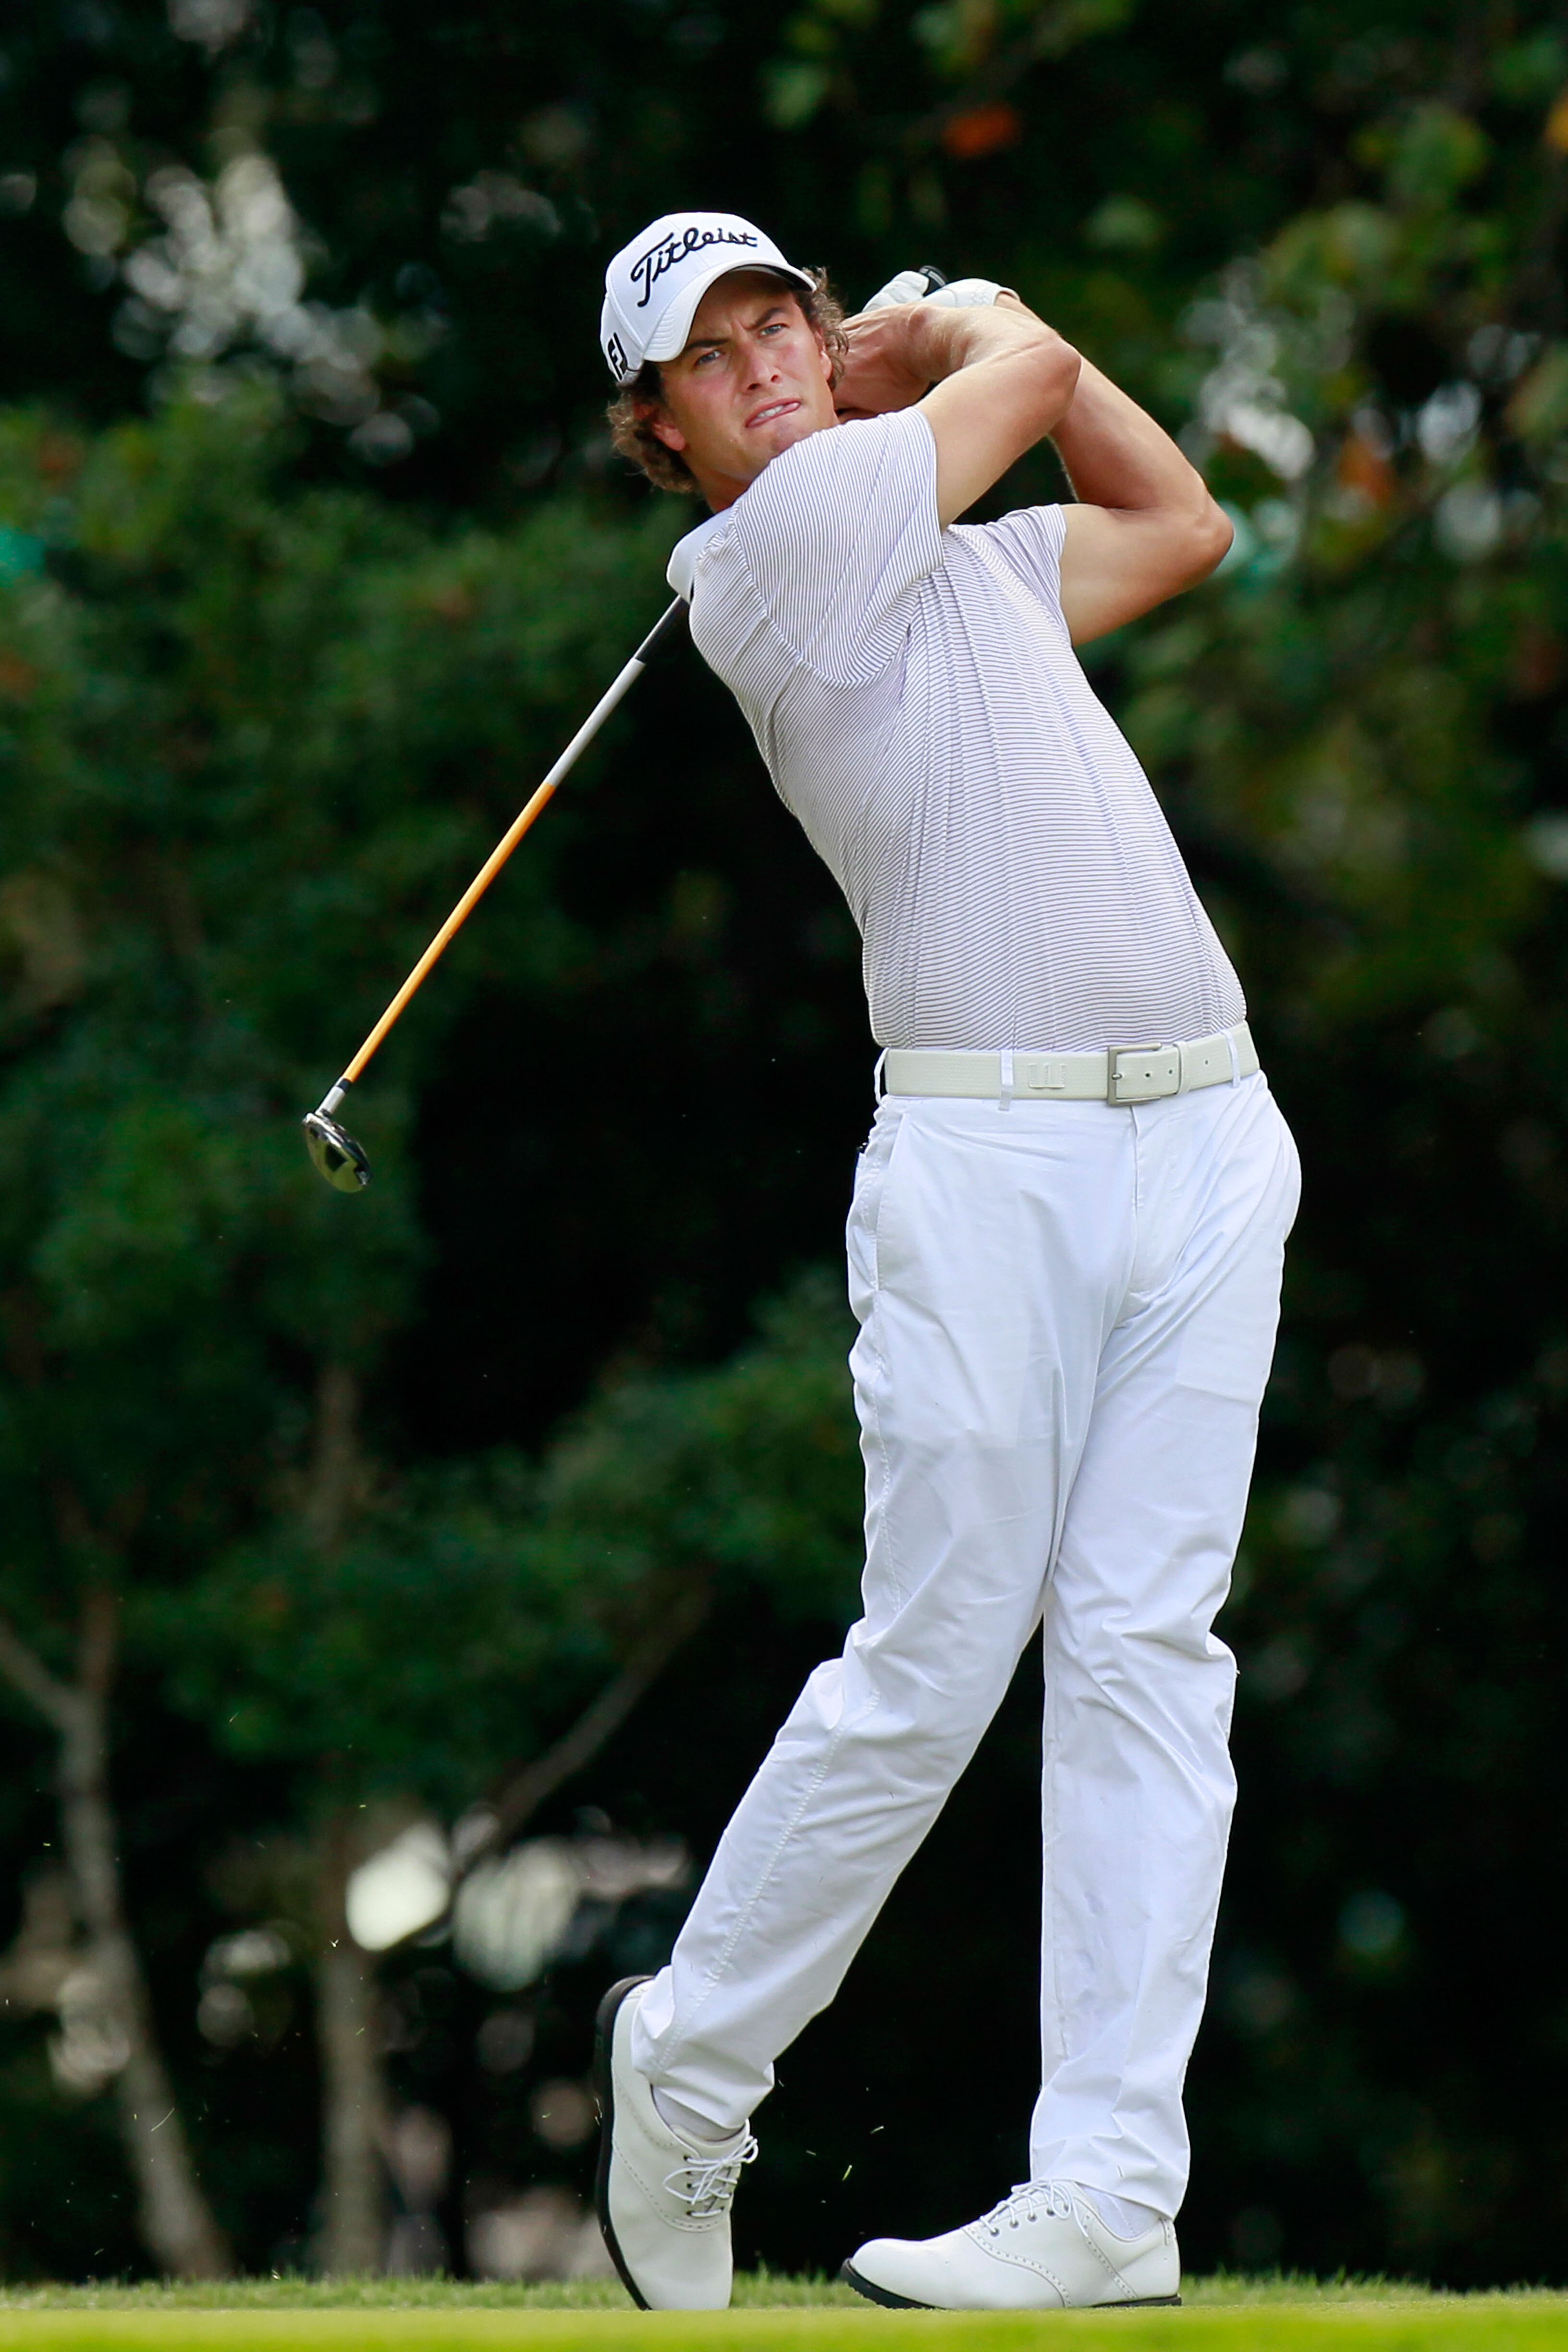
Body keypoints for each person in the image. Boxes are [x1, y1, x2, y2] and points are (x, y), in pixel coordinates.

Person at [590, 209, 1300, 2314]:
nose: (769, 364)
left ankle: (1107, 2190)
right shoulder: (759, 568)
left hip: (1204, 1131)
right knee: (936, 1658)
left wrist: (963, 368)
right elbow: (1028, 372)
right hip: (983, 1166)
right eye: (716, 360)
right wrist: (960, 331)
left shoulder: (966, 567)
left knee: (1152, 1660)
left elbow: (1183, 526)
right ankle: (691, 2062)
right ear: (667, 437)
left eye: (781, 320)